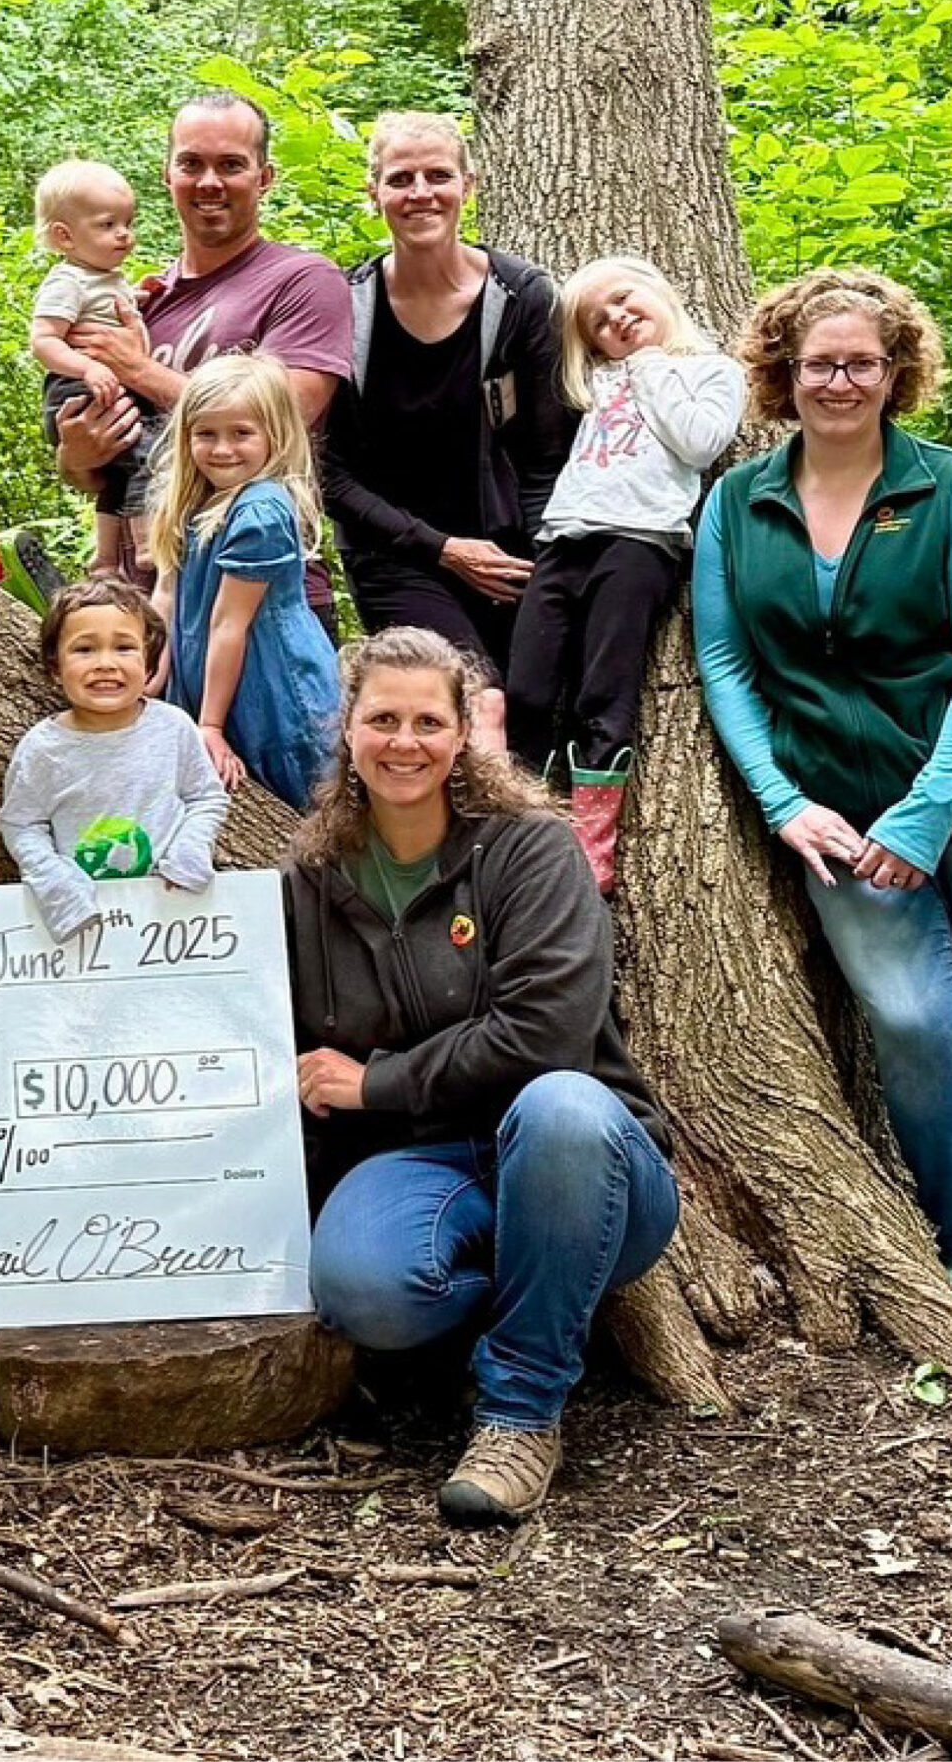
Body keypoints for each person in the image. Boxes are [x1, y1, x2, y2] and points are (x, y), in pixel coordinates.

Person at [694, 268, 952, 1358]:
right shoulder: (739, 502)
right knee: (914, 1024)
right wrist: (782, 801)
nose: (839, 381)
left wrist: (923, 818)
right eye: (816, 363)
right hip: (836, 811)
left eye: (861, 362)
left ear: (896, 372)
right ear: (781, 374)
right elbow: (723, 661)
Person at [287, 628, 677, 1526]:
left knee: (561, 1109)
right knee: (363, 1292)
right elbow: (273, 1036)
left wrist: (375, 1084)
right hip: (425, 1162)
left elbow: (545, 1033)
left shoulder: (532, 849)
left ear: (463, 733)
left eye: (428, 720)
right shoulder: (309, 878)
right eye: (382, 718)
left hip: (584, 1160)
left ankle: (521, 1412)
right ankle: (534, 1290)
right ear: (347, 728)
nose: (405, 742)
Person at [54, 91, 351, 627]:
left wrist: (138, 370)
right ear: (168, 174)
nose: (208, 182)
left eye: (231, 165)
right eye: (191, 163)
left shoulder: (302, 281)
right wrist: (78, 456)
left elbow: (288, 415)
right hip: (137, 606)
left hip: (263, 596)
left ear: (264, 178)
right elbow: (102, 469)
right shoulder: (141, 300)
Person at [507, 255, 744, 892]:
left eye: (624, 299)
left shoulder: (710, 372)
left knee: (601, 695)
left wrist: (650, 367)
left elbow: (699, 443)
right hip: (563, 541)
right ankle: (522, 824)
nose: (616, 319)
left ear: (662, 292)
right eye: (597, 322)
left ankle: (591, 844)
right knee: (527, 691)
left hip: (639, 542)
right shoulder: (595, 384)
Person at [321, 112, 575, 693]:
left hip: (508, 550)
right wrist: (444, 550)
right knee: (471, 693)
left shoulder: (520, 298)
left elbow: (547, 454)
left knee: (538, 699)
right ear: (375, 191)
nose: (420, 194)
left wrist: (544, 574)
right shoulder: (347, 304)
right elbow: (327, 472)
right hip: (393, 554)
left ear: (468, 184)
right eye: (400, 179)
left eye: (438, 175)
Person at [150, 354, 340, 810]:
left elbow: (229, 624)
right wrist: (150, 660)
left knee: (300, 808)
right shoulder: (193, 503)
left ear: (274, 437)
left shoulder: (260, 511)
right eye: (206, 434)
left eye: (241, 433)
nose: (222, 449)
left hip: (273, 690)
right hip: (213, 681)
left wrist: (211, 725)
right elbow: (167, 592)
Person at [0, 577, 229, 941]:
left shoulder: (173, 727)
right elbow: (20, 824)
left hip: (172, 917)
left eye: (124, 648)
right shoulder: (42, 749)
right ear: (55, 667)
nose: (105, 663)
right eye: (84, 650)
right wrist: (54, 880)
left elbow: (206, 797)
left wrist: (190, 851)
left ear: (149, 664)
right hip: (84, 927)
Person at [26, 160, 146, 602]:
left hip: (100, 383)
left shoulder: (102, 277)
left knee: (119, 472)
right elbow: (43, 342)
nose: (124, 235)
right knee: (142, 448)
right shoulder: (66, 282)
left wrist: (136, 300)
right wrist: (87, 368)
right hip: (74, 389)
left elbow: (105, 311)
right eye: (108, 225)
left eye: (129, 223)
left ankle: (108, 558)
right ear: (64, 236)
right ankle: (144, 537)